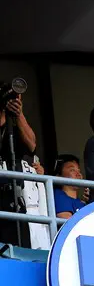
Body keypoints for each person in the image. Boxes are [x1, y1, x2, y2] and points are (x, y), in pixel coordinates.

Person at [0, 93, 37, 247]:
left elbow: (32, 145)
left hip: (14, 198)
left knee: (19, 249)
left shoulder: (13, 129)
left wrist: (19, 114)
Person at [52, 154, 87, 219]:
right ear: (59, 176)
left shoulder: (81, 202)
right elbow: (67, 221)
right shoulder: (59, 195)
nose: (78, 174)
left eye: (79, 171)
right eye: (72, 170)